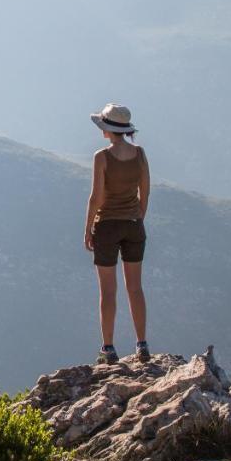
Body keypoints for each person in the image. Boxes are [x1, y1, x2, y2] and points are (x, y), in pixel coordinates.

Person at [84, 103, 151, 364]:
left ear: (107, 129)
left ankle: (108, 348)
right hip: (134, 224)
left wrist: (88, 227)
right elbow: (144, 192)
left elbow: (96, 197)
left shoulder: (101, 157)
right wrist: (138, 217)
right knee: (135, 287)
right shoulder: (140, 154)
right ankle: (142, 344)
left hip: (107, 226)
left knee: (108, 291)